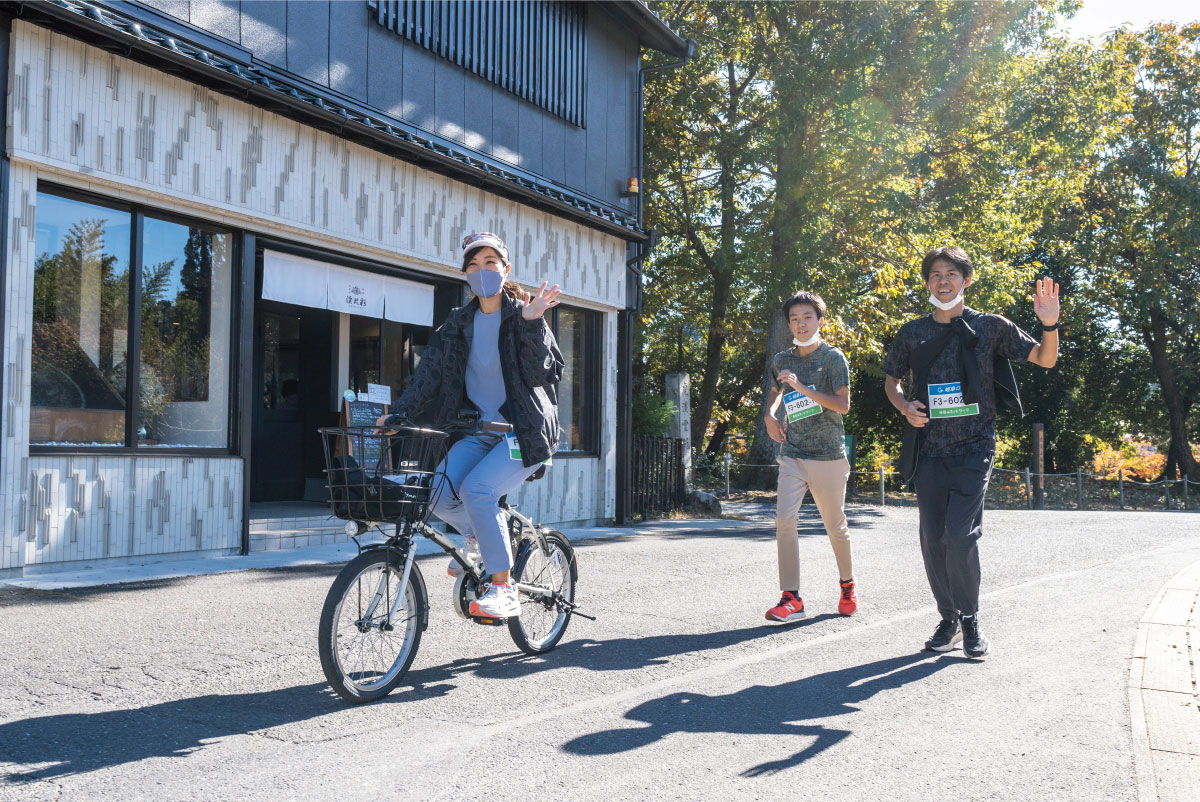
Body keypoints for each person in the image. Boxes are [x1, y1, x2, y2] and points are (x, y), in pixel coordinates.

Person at [883, 246, 1060, 658]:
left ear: (967, 279)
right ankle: (948, 618)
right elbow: (891, 380)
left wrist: (1049, 324)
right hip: (929, 450)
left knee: (960, 537)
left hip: (975, 446)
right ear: (927, 282)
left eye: (951, 273)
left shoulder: (992, 327)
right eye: (935, 274)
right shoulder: (913, 332)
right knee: (933, 539)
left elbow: (1045, 359)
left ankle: (970, 618)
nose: (942, 280)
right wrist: (904, 406)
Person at [390, 232, 564, 618]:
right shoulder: (458, 323)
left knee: (478, 489)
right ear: (465, 275)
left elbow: (544, 374)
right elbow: (429, 374)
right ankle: (484, 537)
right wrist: (399, 412)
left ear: (506, 270)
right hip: (479, 433)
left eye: (490, 263)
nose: (481, 271)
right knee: (437, 492)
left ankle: (503, 588)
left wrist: (533, 324)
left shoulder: (524, 315)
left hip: (524, 435)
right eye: (473, 265)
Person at [763, 291, 857, 623]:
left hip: (828, 455)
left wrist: (802, 388)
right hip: (793, 453)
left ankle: (847, 584)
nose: (801, 324)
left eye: (807, 317)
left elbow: (842, 405)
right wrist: (770, 416)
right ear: (789, 324)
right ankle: (791, 597)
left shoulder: (833, 358)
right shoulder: (781, 360)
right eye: (794, 319)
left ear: (819, 320)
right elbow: (775, 394)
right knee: (785, 521)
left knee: (835, 526)